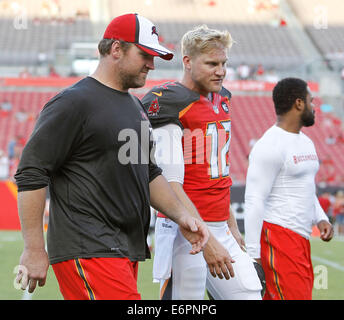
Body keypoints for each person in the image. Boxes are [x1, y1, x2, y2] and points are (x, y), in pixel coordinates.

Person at [14, 13, 209, 300]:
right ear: (116, 49)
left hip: (124, 248)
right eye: (145, 54)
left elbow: (149, 173)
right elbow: (31, 171)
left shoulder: (134, 105)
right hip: (89, 246)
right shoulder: (73, 102)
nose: (152, 64)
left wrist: (183, 216)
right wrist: (33, 247)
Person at [142, 25, 263, 300]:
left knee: (249, 293)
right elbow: (171, 185)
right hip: (186, 229)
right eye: (211, 63)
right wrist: (205, 239)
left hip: (219, 224)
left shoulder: (222, 99)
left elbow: (218, 172)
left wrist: (230, 223)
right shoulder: (171, 102)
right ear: (187, 61)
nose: (220, 70)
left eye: (223, 63)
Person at [244, 77, 334, 300]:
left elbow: (305, 188)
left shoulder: (306, 142)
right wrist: (253, 256)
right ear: (299, 104)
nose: (314, 107)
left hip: (300, 240)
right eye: (311, 101)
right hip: (278, 237)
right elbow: (254, 200)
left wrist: (320, 218)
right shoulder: (269, 145)